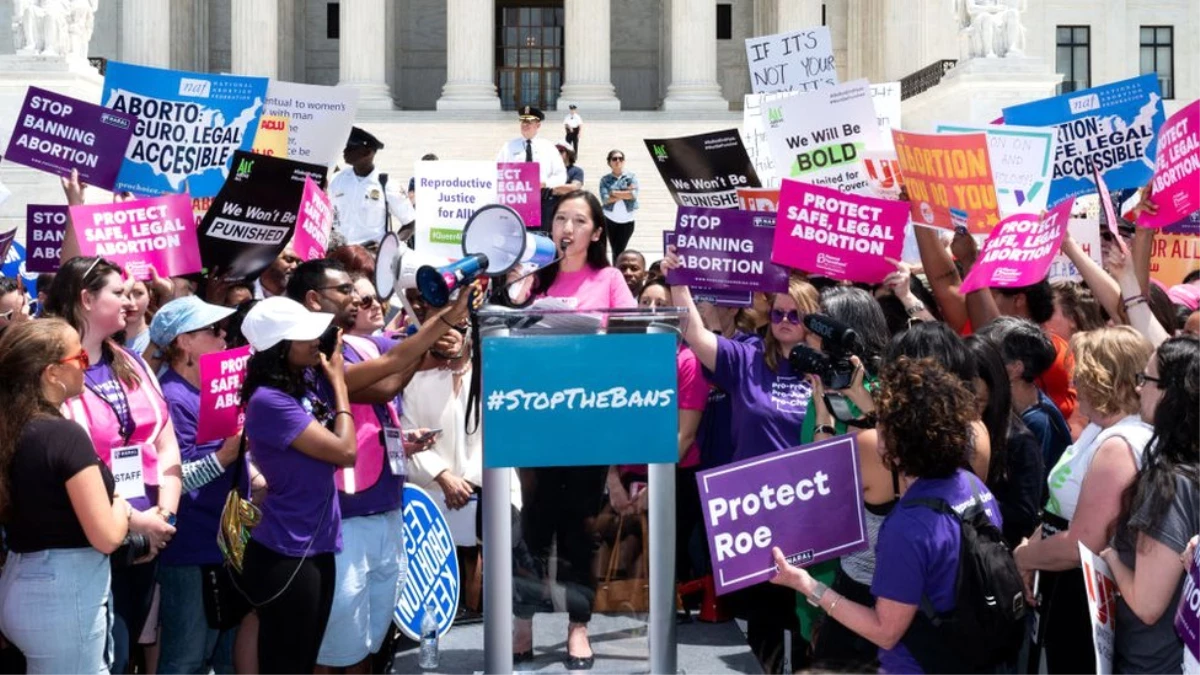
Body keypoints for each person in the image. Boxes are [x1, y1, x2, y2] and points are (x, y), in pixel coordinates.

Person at [285, 259, 469, 673]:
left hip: (386, 507)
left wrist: (457, 331)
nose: (357, 298)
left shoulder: (365, 343)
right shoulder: (306, 356)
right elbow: (390, 372)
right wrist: (445, 317)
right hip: (342, 518)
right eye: (345, 291)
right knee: (335, 647)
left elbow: (410, 367)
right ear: (314, 300)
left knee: (369, 642)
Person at [771, 356, 1005, 673]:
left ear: (893, 445)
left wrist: (807, 585)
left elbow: (885, 630)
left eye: (883, 422)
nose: (875, 426)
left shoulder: (908, 527)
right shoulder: (974, 487)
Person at [664, 252, 817, 672]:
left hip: (809, 511)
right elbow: (695, 335)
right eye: (779, 310)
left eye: (797, 314)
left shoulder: (828, 371)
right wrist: (678, 280)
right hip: (755, 514)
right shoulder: (746, 359)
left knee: (807, 620)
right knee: (762, 620)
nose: (785, 318)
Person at [507, 190, 635, 670]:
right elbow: (505, 330)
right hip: (534, 422)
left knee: (579, 529)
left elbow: (632, 337)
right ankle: (523, 619)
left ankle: (578, 625)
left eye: (579, 220)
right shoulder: (532, 278)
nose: (567, 227)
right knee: (533, 524)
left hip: (587, 423)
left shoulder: (609, 278)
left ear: (597, 232)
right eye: (560, 218)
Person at [45, 255, 182, 675]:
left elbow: (166, 441)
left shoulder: (133, 361)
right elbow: (72, 461)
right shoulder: (52, 372)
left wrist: (163, 515)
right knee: (105, 658)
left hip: (147, 540)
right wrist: (138, 522)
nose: (130, 302)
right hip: (90, 540)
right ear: (86, 299)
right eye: (118, 293)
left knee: (124, 658)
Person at [1013, 327, 1155, 675]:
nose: (1073, 379)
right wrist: (1035, 551)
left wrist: (1023, 557)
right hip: (1060, 580)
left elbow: (1084, 544)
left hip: (1080, 593)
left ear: (1106, 379)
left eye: (1083, 371)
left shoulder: (1119, 445)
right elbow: (1059, 507)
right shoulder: (1100, 430)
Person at [0, 319, 131, 674]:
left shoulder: (15, 426)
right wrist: (120, 504)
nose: (87, 365)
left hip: (21, 581)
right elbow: (106, 536)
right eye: (81, 359)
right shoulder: (63, 436)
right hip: (62, 596)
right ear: (53, 373)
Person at [238, 297, 356, 673]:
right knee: (286, 666)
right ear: (279, 347)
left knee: (303, 662)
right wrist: (339, 384)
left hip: (315, 544)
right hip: (287, 551)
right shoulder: (269, 401)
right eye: (304, 336)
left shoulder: (298, 387)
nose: (315, 342)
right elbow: (345, 451)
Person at [148, 296, 247, 675]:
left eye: (223, 329)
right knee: (185, 657)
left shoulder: (215, 391)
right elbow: (173, 478)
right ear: (183, 342)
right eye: (212, 330)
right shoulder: (171, 396)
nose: (224, 337)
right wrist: (224, 457)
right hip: (190, 548)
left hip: (223, 542)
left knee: (224, 654)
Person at [1100, 336, 1200, 673]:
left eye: (1147, 380)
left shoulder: (1170, 483)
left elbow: (1147, 605)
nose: (1139, 389)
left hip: (1154, 663)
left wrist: (1110, 556)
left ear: (1173, 394)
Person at [965, 335, 1044, 547]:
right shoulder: (949, 429)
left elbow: (1023, 517)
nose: (967, 407)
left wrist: (969, 498)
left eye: (976, 401)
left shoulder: (1020, 441)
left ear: (994, 387)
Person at [977, 316, 1072, 478]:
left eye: (990, 358)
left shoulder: (1038, 424)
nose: (982, 364)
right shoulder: (1020, 409)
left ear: (1015, 369)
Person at [330, 127, 417, 248]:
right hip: (340, 253)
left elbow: (410, 223)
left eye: (351, 147)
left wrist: (388, 246)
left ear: (367, 152)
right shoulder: (336, 180)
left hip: (371, 258)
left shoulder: (387, 185)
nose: (345, 151)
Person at [496, 106, 567, 231]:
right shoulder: (508, 147)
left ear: (538, 125)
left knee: (541, 240)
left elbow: (561, 175)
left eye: (529, 121)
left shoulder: (548, 147)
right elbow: (497, 172)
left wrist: (545, 183)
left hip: (543, 201)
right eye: (523, 121)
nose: (525, 124)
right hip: (516, 202)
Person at [598, 149, 639, 261]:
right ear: (609, 162)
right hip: (610, 220)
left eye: (620, 158)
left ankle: (617, 273)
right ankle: (616, 273)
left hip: (627, 221)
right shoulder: (605, 180)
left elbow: (633, 195)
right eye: (614, 158)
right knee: (616, 250)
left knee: (619, 249)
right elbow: (605, 199)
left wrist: (614, 193)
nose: (618, 161)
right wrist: (625, 192)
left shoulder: (631, 177)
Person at [124, 279, 153, 357]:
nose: (131, 303)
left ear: (149, 296)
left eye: (138, 293)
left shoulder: (159, 340)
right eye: (123, 293)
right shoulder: (99, 342)